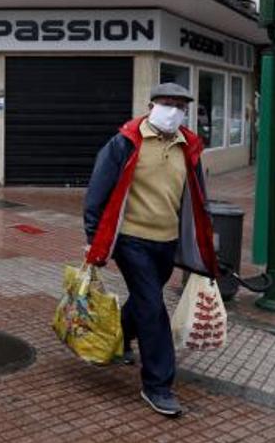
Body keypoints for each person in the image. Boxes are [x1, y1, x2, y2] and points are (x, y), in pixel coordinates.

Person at [82, 82, 219, 418]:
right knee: (153, 308)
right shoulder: (126, 142)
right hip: (131, 239)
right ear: (152, 104)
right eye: (167, 103)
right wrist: (93, 236)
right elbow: (98, 189)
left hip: (167, 241)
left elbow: (198, 197)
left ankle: (120, 338)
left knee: (146, 298)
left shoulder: (189, 147)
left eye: (180, 105)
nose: (173, 110)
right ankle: (158, 385)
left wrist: (205, 236)